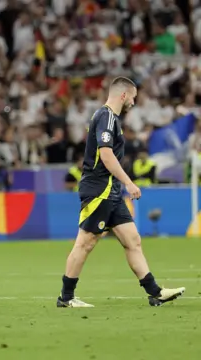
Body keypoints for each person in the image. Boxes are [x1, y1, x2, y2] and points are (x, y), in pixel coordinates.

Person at [57, 77, 185, 308]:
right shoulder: (105, 116)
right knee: (85, 242)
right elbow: (106, 155)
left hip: (110, 191)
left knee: (133, 240)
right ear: (124, 95)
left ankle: (155, 292)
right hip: (100, 189)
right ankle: (66, 298)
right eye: (133, 97)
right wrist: (128, 182)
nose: (134, 102)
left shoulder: (112, 119)